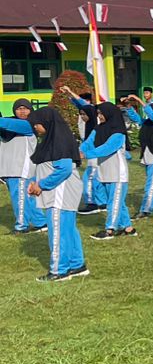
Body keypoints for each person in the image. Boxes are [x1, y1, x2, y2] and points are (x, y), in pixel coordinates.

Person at [27, 106, 89, 281]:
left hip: (59, 194)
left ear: (46, 122)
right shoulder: (53, 139)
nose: (35, 127)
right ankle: (77, 264)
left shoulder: (58, 141)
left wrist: (41, 185)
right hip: (61, 193)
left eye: (36, 124)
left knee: (58, 231)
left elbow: (64, 169)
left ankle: (59, 270)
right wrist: (36, 183)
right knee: (68, 229)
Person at [81, 101, 136, 239]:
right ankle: (128, 228)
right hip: (104, 172)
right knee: (118, 202)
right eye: (98, 113)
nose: (99, 116)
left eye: (101, 113)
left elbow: (107, 148)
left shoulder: (119, 133)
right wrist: (77, 152)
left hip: (117, 174)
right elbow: (88, 142)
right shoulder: (98, 129)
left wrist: (87, 154)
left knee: (113, 203)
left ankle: (110, 229)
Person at [1, 99, 47, 234]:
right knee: (29, 198)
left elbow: (7, 123)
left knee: (20, 199)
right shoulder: (8, 127)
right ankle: (40, 222)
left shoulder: (28, 125)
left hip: (21, 169)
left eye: (25, 108)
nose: (22, 111)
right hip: (11, 169)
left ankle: (21, 226)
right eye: (19, 108)